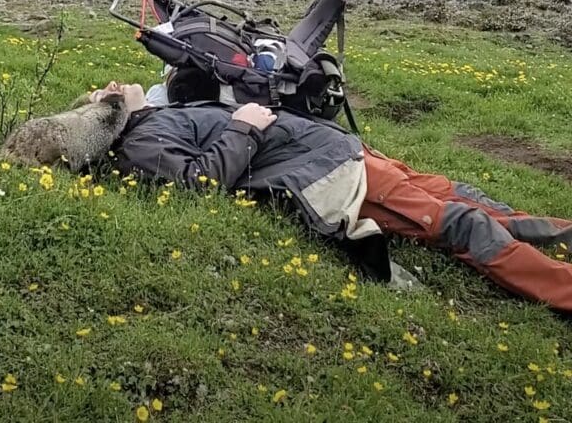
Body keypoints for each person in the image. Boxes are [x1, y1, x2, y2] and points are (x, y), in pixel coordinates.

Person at [88, 81, 572, 313]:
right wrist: (243, 128)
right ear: (107, 121)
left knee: (451, 192)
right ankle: (562, 289)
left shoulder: (159, 110)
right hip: (328, 171)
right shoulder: (142, 140)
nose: (110, 86)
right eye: (100, 97)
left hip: (334, 148)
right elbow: (199, 184)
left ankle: (558, 231)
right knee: (459, 221)